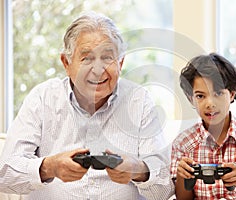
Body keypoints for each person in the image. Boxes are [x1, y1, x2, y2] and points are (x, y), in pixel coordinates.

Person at [0, 12, 174, 200]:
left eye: (107, 58)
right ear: (66, 63)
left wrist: (138, 171)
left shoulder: (139, 101)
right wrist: (50, 167)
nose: (98, 70)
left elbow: (165, 189)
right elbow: (4, 174)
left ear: (120, 63)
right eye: (87, 59)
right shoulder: (42, 98)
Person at [170, 53, 236, 200]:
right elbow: (183, 199)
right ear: (191, 99)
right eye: (200, 96)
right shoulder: (183, 143)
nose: (210, 103)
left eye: (218, 93)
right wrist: (183, 177)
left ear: (232, 94)